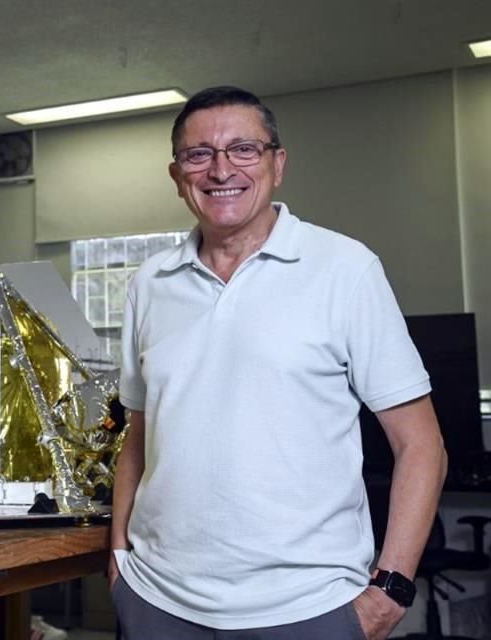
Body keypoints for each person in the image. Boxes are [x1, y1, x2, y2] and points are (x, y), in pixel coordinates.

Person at [110, 86, 447, 640]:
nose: (222, 169)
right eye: (200, 154)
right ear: (177, 175)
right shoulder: (149, 284)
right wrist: (120, 558)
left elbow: (422, 445)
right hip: (156, 602)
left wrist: (390, 591)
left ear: (277, 163)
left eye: (244, 149)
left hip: (308, 608)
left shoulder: (345, 268)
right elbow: (139, 436)